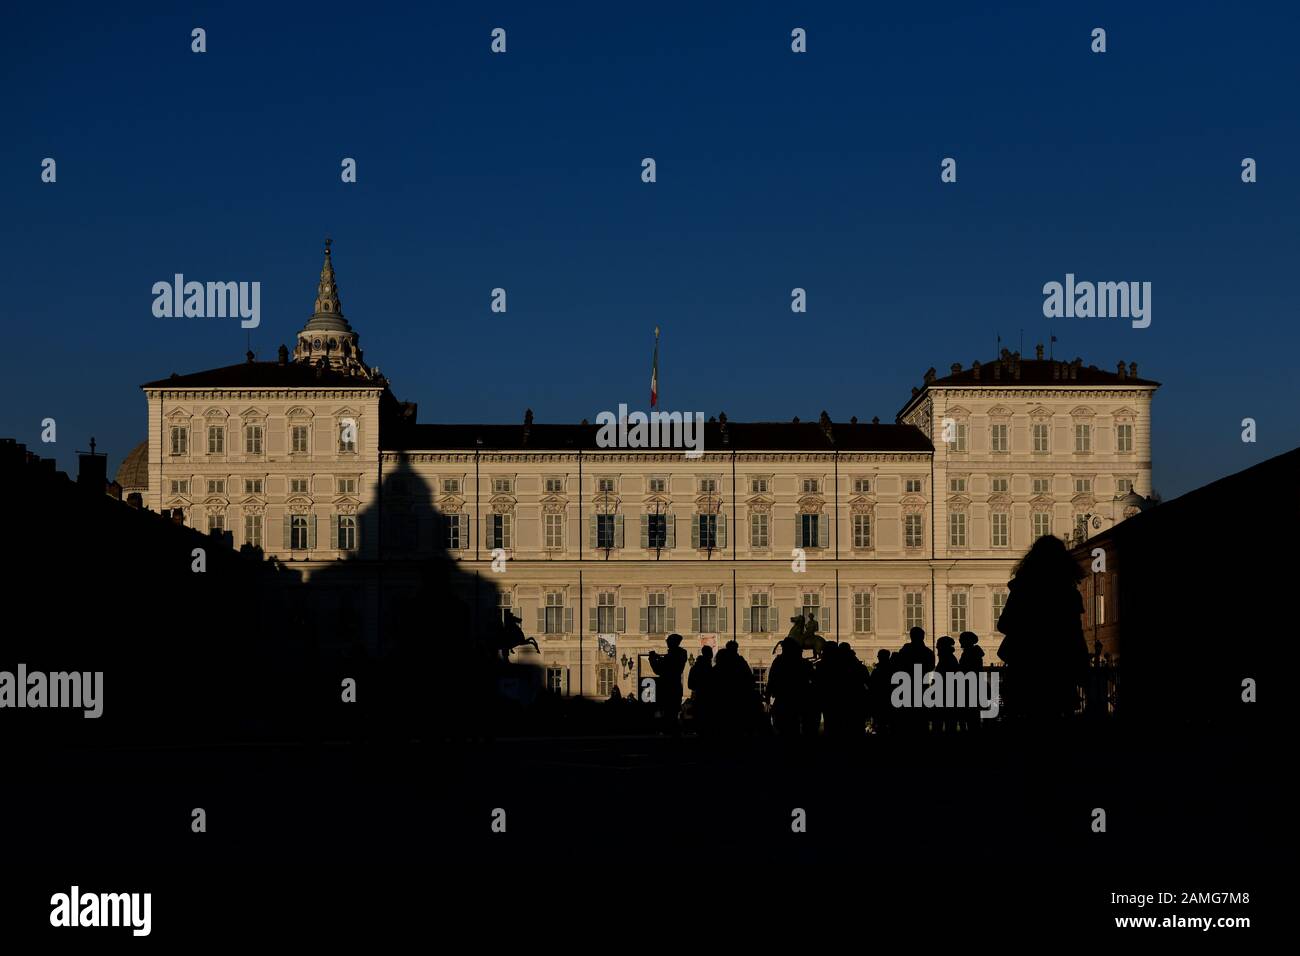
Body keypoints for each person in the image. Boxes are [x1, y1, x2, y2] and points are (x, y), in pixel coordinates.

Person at [996, 535, 1089, 722]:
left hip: (1025, 665)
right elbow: (1075, 635)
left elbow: (1004, 624)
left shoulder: (1022, 589)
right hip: (1058, 667)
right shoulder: (1068, 594)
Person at [766, 637, 811, 736]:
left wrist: (767, 698)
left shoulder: (778, 661)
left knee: (782, 729)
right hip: (797, 700)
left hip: (783, 699)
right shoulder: (802, 663)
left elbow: (771, 680)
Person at [647, 633, 687, 734]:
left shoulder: (672, 656)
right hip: (676, 686)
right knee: (673, 712)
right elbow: (669, 660)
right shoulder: (681, 654)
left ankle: (670, 733)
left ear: (673, 642)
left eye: (668, 641)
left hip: (667, 687)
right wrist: (659, 657)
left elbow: (658, 670)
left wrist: (652, 660)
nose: (667, 643)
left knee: (668, 713)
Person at [957, 631, 984, 731]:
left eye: (961, 639)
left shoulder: (969, 654)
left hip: (969, 688)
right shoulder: (974, 653)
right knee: (973, 717)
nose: (959, 641)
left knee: (970, 716)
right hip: (973, 687)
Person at [687, 645, 714, 733]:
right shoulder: (710, 669)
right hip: (708, 698)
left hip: (698, 697)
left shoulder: (694, 668)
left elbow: (690, 685)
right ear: (709, 655)